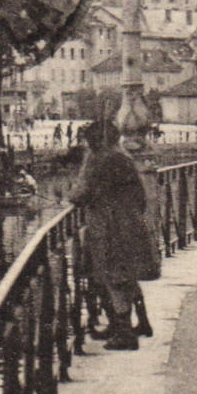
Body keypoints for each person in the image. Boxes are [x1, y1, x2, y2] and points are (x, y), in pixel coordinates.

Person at [69, 117, 160, 351]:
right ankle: (140, 322)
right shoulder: (122, 157)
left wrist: (82, 173)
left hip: (110, 228)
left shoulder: (101, 160)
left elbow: (80, 195)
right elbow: (140, 198)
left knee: (114, 278)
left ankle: (124, 333)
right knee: (126, 276)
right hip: (130, 224)